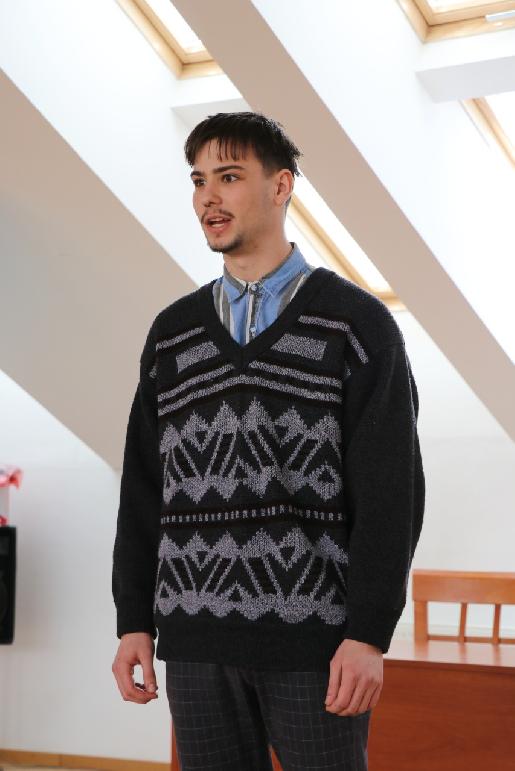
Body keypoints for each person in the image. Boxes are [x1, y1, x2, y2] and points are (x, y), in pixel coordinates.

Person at [112, 111, 425, 770]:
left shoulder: (357, 325)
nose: (208, 197)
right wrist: (133, 618)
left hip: (316, 644)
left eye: (228, 176)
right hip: (194, 641)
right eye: (198, 180)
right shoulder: (171, 335)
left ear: (280, 186)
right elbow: (143, 486)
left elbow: (390, 492)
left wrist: (369, 633)